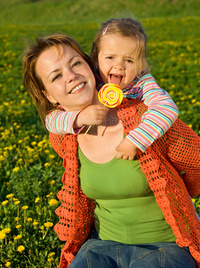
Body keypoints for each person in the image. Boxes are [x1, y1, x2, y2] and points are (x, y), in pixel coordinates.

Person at [22, 34, 200, 268]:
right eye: (56, 76)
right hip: (101, 247)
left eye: (75, 63)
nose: (71, 76)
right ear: (49, 95)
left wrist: (180, 193)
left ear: (90, 65)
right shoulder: (63, 138)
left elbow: (197, 161)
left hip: (165, 245)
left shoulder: (148, 120)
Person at [45, 18, 179, 160]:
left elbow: (167, 108)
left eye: (129, 60)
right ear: (96, 58)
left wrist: (136, 139)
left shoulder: (142, 84)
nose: (119, 65)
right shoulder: (91, 81)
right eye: (110, 57)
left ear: (140, 66)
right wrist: (80, 118)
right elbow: (51, 121)